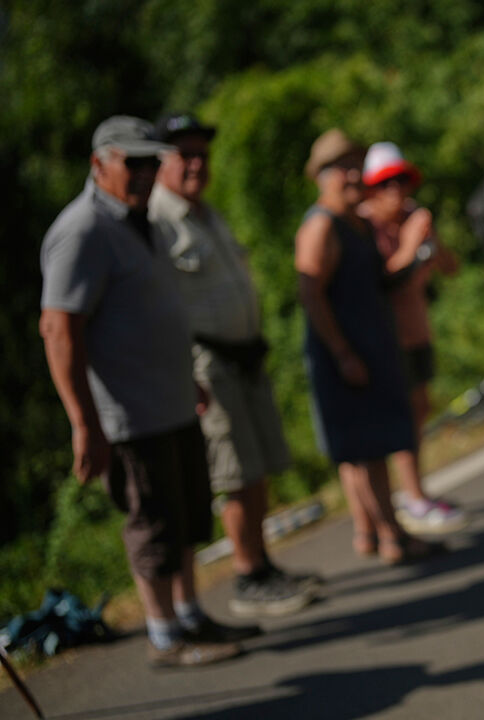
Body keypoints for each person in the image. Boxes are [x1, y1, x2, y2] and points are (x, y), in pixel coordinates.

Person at [39, 116, 245, 667]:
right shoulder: (82, 230)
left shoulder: (140, 219)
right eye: (133, 162)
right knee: (151, 521)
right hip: (129, 413)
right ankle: (163, 633)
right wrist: (84, 423)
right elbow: (59, 329)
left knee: (185, 516)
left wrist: (188, 376)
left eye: (152, 162)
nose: (146, 173)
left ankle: (189, 614)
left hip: (171, 398)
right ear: (99, 165)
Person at [148, 112, 316, 619]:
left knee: (259, 468)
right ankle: (247, 577)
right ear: (161, 162)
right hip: (207, 364)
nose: (197, 164)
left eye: (203, 153)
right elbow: (159, 308)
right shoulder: (157, 222)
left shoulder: (206, 213)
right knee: (235, 473)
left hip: (244, 356)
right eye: (185, 154)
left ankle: (263, 564)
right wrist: (183, 371)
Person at [295, 129, 435, 564]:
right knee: (362, 451)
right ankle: (391, 536)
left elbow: (382, 281)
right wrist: (341, 353)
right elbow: (310, 292)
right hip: (345, 355)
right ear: (321, 175)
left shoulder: (355, 222)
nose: (353, 174)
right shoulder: (321, 225)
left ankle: (383, 532)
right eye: (342, 167)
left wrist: (414, 252)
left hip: (372, 348)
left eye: (356, 164)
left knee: (372, 448)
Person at [356, 141, 468, 535]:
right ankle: (409, 499)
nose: (397, 191)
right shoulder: (365, 224)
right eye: (387, 184)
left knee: (419, 410)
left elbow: (451, 268)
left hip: (418, 331)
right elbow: (383, 280)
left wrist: (431, 239)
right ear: (372, 188)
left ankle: (412, 491)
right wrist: (409, 243)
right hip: (390, 340)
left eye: (402, 181)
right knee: (401, 419)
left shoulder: (412, 219)